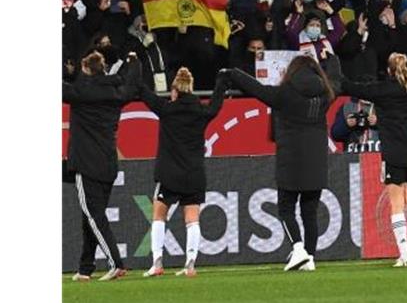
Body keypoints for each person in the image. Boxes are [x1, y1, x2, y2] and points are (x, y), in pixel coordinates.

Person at [220, 52, 341, 271]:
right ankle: (310, 258)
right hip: (317, 161)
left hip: (291, 160)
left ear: (292, 72)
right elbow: (336, 77)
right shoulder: (327, 94)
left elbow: (257, 89)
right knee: (310, 212)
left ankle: (298, 249)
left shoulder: (285, 94)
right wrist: (331, 58)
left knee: (286, 208)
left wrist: (232, 73)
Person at [338, 19, 407, 267]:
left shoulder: (382, 90)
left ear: (388, 70)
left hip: (395, 153)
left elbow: (348, 86)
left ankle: (405, 255)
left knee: (397, 202)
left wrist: (331, 67)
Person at [139, 67, 229, 278]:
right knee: (192, 219)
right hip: (194, 173)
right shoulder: (201, 112)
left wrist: (134, 67)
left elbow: (143, 93)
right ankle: (190, 264)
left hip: (169, 174)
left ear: (174, 91)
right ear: (191, 89)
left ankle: (157, 262)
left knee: (159, 215)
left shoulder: (166, 109)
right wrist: (222, 79)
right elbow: (216, 105)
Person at [63, 50, 141, 281]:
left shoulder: (81, 92)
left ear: (86, 69)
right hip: (108, 164)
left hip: (86, 164)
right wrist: (134, 62)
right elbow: (133, 84)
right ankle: (85, 269)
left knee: (93, 215)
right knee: (91, 216)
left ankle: (116, 263)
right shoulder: (117, 92)